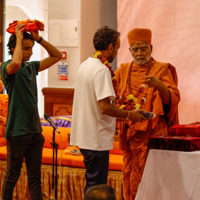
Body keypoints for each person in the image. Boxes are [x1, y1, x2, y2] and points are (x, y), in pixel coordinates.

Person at [70, 26, 148, 194]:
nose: (116, 53)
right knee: (96, 187)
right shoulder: (101, 70)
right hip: (95, 140)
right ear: (110, 47)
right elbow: (104, 107)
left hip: (85, 137)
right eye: (117, 48)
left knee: (92, 184)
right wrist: (129, 115)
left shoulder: (85, 65)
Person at [115, 28, 180, 200]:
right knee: (131, 176)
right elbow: (113, 97)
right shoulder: (122, 70)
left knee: (155, 178)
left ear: (151, 48)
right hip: (130, 135)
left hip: (154, 134)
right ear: (129, 51)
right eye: (135, 49)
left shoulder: (161, 70)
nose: (139, 53)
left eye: (143, 48)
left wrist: (160, 85)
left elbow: (171, 101)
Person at [1, 24, 62, 200]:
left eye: (31, 48)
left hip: (35, 131)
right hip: (17, 132)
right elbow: (16, 62)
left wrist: (38, 39)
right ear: (14, 48)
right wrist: (19, 38)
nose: (30, 52)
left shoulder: (31, 67)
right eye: (26, 49)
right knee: (12, 176)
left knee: (35, 179)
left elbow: (57, 56)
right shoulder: (7, 67)